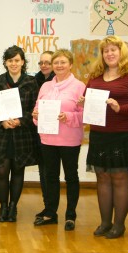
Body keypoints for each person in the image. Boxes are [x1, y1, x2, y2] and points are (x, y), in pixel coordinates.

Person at [79, 35, 128, 238]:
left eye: (113, 50)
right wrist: (84, 102)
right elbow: (88, 99)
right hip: (99, 134)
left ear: (121, 52)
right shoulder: (96, 76)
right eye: (106, 51)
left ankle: (119, 224)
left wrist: (120, 108)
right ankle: (105, 223)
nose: (109, 54)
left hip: (123, 135)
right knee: (102, 177)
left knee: (120, 178)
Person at [32, 49, 85, 231]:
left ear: (70, 64)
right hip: (47, 139)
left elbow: (85, 115)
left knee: (71, 177)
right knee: (51, 177)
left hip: (70, 140)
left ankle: (70, 215)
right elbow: (37, 110)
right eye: (56, 63)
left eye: (63, 62)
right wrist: (36, 116)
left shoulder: (79, 86)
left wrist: (68, 117)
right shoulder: (45, 86)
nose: (59, 66)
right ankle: (50, 213)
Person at [0, 45, 38, 222]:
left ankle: (13, 206)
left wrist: (21, 120)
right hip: (1, 135)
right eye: (10, 60)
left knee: (17, 171)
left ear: (23, 62)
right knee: (1, 173)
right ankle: (3, 207)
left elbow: (35, 110)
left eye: (17, 60)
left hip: (22, 136)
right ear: (5, 63)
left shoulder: (31, 83)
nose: (13, 63)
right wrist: (1, 120)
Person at [34, 50, 55, 218]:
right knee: (43, 171)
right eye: (41, 63)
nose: (44, 65)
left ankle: (52, 208)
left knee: (51, 172)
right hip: (39, 132)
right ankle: (47, 205)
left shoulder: (59, 81)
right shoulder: (35, 80)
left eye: (47, 62)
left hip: (59, 134)